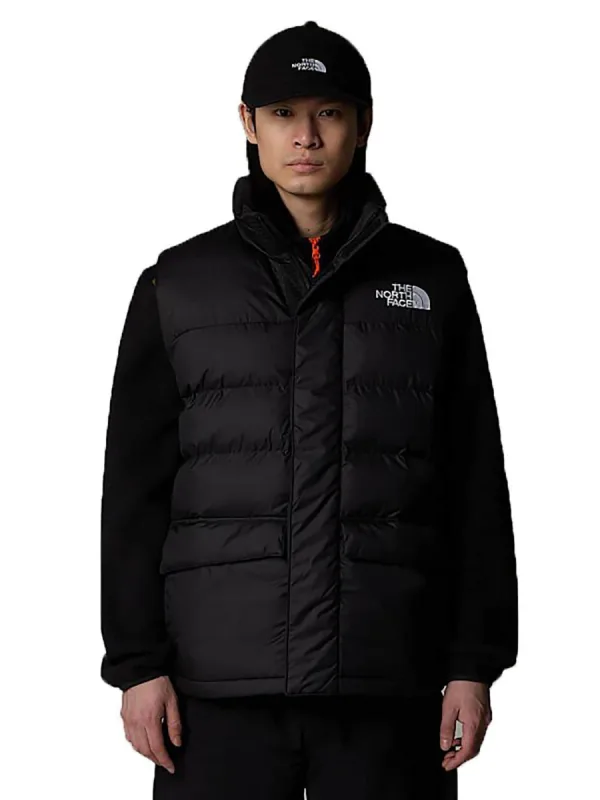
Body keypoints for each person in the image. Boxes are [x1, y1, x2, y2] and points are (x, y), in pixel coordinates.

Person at [100, 20, 518, 799]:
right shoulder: (178, 284)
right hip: (215, 689)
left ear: (364, 122)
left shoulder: (433, 278)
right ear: (247, 122)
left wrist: (474, 663)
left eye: (328, 112)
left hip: (387, 676)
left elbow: (473, 480)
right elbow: (134, 490)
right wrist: (136, 664)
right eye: (284, 113)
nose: (306, 136)